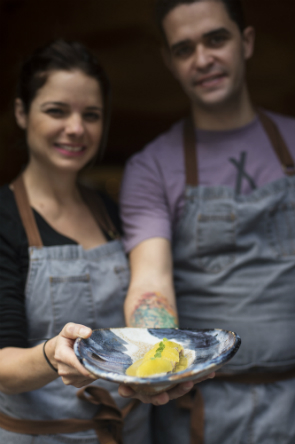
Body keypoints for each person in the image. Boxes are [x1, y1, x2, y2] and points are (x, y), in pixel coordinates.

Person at [119, 0, 295, 443]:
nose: (203, 59)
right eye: (184, 49)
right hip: (206, 413)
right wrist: (157, 360)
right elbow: (150, 282)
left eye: (216, 39)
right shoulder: (151, 168)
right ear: (170, 62)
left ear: (247, 42)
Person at [0, 39, 151, 444]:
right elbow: (2, 366)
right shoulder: (4, 217)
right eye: (56, 110)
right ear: (20, 112)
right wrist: (53, 354)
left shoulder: (109, 209)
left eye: (91, 114)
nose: (76, 128)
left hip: (130, 429)